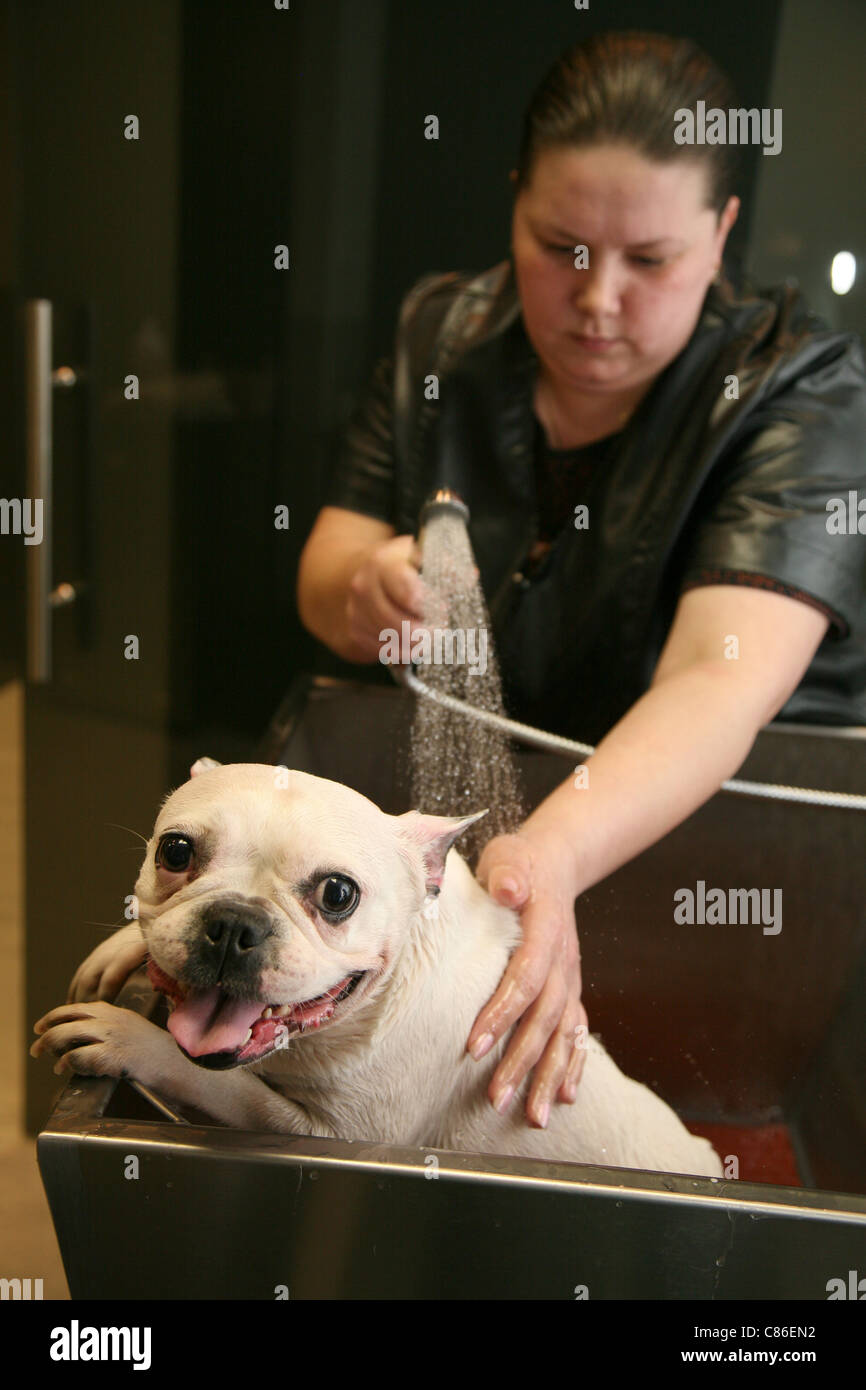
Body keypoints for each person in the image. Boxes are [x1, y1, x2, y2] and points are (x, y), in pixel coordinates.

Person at [296, 31, 866, 1130]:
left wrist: (542, 859)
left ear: (721, 234)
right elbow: (325, 569)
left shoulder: (799, 391)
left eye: (647, 259)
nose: (596, 299)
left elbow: (718, 679)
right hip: (497, 871)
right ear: (513, 204)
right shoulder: (441, 337)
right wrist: (362, 587)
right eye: (558, 245)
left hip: (740, 903)